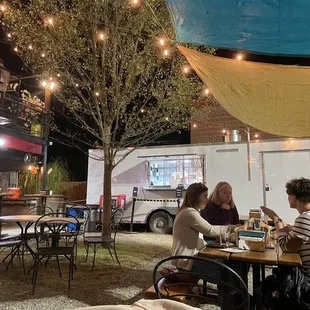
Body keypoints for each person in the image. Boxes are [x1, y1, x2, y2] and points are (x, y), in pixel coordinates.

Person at [261, 178, 310, 309]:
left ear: (294, 197)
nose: (288, 198)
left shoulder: (305, 218)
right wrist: (287, 228)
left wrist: (276, 219)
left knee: (263, 288)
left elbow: (286, 247)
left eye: (289, 195)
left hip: (305, 281)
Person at [172, 182, 227, 271]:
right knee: (226, 270)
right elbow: (210, 230)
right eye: (205, 196)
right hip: (188, 260)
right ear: (195, 197)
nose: (207, 199)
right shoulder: (189, 213)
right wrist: (231, 229)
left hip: (189, 258)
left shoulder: (188, 210)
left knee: (227, 264)